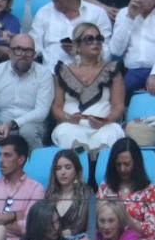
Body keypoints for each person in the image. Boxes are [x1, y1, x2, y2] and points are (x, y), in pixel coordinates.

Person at [49, 21, 124, 157]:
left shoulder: (112, 69)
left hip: (103, 126)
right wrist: (69, 118)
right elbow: (56, 107)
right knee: (65, 132)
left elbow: (118, 107)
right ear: (77, 44)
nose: (96, 42)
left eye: (99, 39)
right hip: (72, 126)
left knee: (113, 131)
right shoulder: (63, 71)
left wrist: (104, 121)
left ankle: (99, 169)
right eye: (89, 39)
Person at [0, 134, 45, 240]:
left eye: (7, 155)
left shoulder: (36, 188)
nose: (1, 160)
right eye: (0, 155)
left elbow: (29, 227)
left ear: (21, 160)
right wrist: (11, 216)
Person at [109, 0, 155, 95]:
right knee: (115, 94)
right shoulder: (124, 13)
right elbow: (116, 50)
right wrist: (130, 17)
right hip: (132, 71)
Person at [95, 136, 155, 240]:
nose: (122, 169)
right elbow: (94, 222)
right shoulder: (105, 187)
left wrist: (126, 219)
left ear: (136, 164)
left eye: (127, 164)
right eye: (118, 164)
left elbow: (152, 231)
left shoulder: (150, 190)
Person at [30, 0, 112, 71]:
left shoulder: (97, 14)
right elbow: (34, 48)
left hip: (88, 77)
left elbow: (107, 53)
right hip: (51, 77)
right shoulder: (43, 13)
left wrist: (80, 51)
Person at [44, 147, 91, 237]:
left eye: (68, 167)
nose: (63, 172)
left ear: (76, 170)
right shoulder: (49, 194)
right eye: (58, 168)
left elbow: (81, 227)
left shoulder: (86, 193)